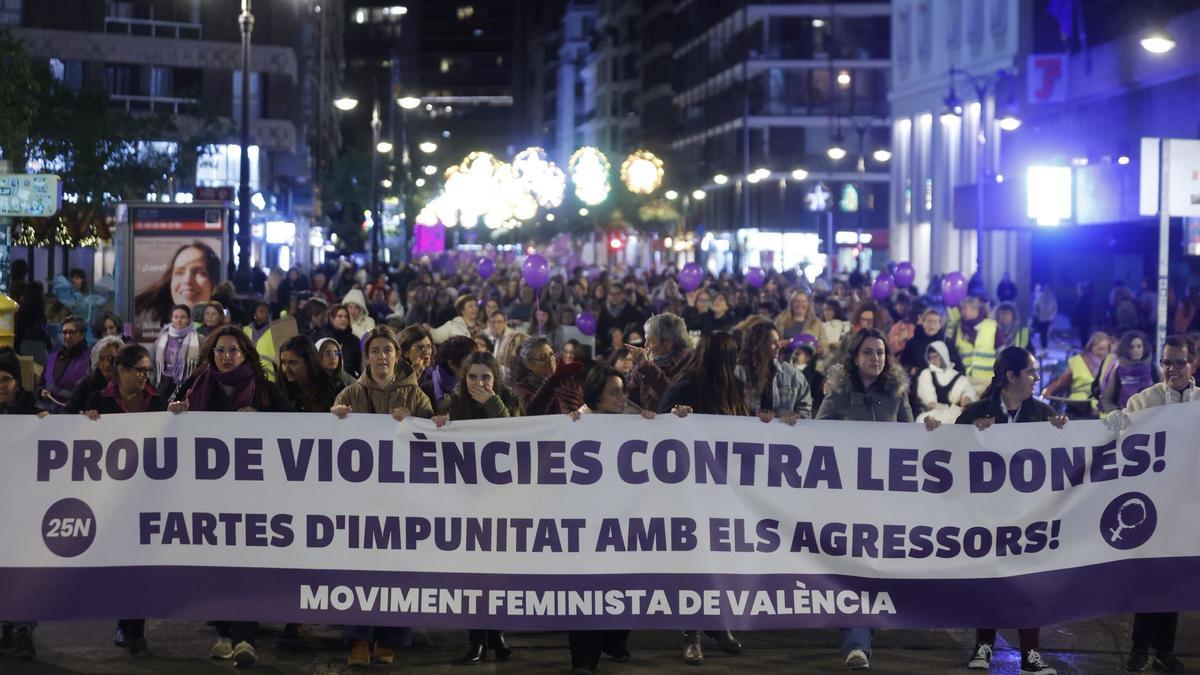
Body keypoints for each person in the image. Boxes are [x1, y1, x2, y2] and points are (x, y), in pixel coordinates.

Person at [932, 346, 1066, 675]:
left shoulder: (1043, 413)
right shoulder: (978, 410)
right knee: (988, 578)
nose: (1036, 378)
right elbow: (948, 450)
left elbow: (1064, 454)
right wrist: (940, 430)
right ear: (1012, 376)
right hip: (985, 514)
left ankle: (1031, 653)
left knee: (1028, 581)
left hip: (1029, 514)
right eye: (1032, 372)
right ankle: (983, 645)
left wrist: (1064, 430)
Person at [168, 327, 294, 667]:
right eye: (220, 351)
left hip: (253, 496)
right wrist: (177, 414)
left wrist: (262, 423)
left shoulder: (264, 391)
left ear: (245, 354)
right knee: (216, 566)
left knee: (246, 566)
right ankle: (224, 634)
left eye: (233, 351)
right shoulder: (194, 387)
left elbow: (297, 429)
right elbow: (167, 418)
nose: (226, 356)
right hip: (209, 496)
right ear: (211, 355)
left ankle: (245, 638)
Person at [331, 326, 434, 667]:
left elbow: (432, 437)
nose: (382, 357)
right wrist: (336, 420)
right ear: (367, 357)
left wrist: (417, 421)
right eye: (375, 351)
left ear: (397, 356)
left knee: (396, 568)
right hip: (359, 499)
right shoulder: (350, 394)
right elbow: (328, 443)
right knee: (358, 569)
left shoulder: (416, 396)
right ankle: (358, 638)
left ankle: (389, 638)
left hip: (402, 499)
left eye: (387, 351)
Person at [815, 328, 916, 671]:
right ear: (856, 357)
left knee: (875, 571)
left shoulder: (897, 394)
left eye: (882, 353)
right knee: (853, 570)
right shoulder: (838, 395)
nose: (877, 358)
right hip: (847, 499)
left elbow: (911, 439)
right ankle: (857, 643)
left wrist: (929, 429)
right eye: (870, 352)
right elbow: (814, 439)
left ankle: (863, 634)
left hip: (886, 500)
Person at [1103, 335, 1193, 673]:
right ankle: (1140, 648)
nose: (1172, 368)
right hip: (1151, 503)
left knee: (1175, 578)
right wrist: (1114, 422)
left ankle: (1164, 649)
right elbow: (1122, 428)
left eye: (1179, 362)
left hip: (1187, 506)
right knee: (1150, 576)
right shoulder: (1145, 401)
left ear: (1193, 363)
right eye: (1167, 362)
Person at [655, 332, 745, 666]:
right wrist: (673, 418)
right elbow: (657, 429)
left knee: (719, 561)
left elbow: (742, 430)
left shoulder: (733, 387)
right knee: (692, 563)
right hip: (687, 490)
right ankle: (690, 632)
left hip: (720, 489)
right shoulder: (685, 385)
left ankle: (717, 622)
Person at [429, 351, 519, 665]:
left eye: (485, 377)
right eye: (472, 377)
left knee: (496, 575)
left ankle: (495, 633)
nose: (478, 383)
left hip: (499, 502)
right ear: (463, 378)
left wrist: (492, 403)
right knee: (471, 575)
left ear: (495, 379)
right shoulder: (454, 406)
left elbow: (517, 434)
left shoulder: (507, 402)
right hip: (464, 501)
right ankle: (477, 639)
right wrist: (439, 423)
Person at [79, 344, 165, 656]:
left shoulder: (156, 400)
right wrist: (84, 421)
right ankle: (123, 622)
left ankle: (135, 628)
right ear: (122, 371)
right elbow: (65, 428)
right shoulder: (98, 399)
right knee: (120, 561)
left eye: (147, 370)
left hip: (147, 494)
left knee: (141, 563)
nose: (145, 376)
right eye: (140, 370)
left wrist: (177, 417)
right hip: (110, 495)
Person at [563, 364, 647, 674]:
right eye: (614, 392)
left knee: (622, 589)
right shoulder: (575, 424)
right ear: (596, 395)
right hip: (585, 528)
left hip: (623, 526)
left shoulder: (631, 418)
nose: (621, 397)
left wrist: (666, 420)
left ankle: (613, 642)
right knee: (586, 592)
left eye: (623, 391)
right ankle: (583, 661)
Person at [132, 241, 219, 333]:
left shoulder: (221, 335)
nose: (187, 280)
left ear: (213, 283)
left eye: (200, 272)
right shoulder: (161, 333)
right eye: (179, 273)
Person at [735, 321, 812, 424]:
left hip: (783, 437)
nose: (778, 346)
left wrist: (795, 416)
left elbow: (806, 411)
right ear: (758, 344)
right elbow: (733, 408)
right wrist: (755, 415)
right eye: (772, 342)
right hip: (748, 435)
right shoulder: (740, 372)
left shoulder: (792, 374)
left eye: (778, 341)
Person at [626, 313, 693, 413]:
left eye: (650, 341)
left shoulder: (691, 364)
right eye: (645, 339)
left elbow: (672, 396)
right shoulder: (645, 364)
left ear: (668, 343)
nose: (645, 345)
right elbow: (631, 396)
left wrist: (648, 367)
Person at [509, 336, 584, 416]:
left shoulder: (572, 386)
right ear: (529, 364)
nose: (550, 360)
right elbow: (530, 414)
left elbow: (584, 412)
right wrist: (552, 381)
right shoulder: (521, 388)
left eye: (551, 354)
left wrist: (580, 414)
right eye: (543, 358)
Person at [1042, 331, 1111, 418]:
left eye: (1106, 349)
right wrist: (1049, 391)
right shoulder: (1077, 361)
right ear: (1091, 348)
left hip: (1103, 410)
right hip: (1079, 408)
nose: (1103, 352)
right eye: (1100, 349)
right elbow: (1062, 381)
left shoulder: (1111, 363)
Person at [914, 340, 976, 424]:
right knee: (922, 420)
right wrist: (943, 408)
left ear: (943, 355)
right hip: (934, 415)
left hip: (955, 414)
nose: (932, 361)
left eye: (935, 357)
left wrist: (967, 398)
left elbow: (968, 392)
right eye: (930, 358)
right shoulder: (926, 374)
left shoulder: (957, 376)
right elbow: (930, 403)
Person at [1098, 331, 1161, 414]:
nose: (1136, 350)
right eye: (1131, 347)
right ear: (1125, 349)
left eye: (1139, 346)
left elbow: (1165, 393)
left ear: (1144, 348)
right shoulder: (1118, 371)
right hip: (1126, 419)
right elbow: (1107, 399)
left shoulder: (1153, 369)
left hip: (1152, 417)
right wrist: (1117, 414)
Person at [279, 336, 345, 413]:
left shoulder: (334, 386)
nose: (286, 369)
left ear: (309, 362)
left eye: (292, 362)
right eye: (283, 362)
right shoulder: (281, 391)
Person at [38, 315, 90, 413]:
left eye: (72, 332)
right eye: (64, 332)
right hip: (50, 414)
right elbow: (41, 384)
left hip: (77, 416)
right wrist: (41, 391)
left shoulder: (90, 358)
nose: (67, 336)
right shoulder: (51, 358)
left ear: (82, 335)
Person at [64, 335, 124, 414]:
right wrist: (82, 415)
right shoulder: (85, 384)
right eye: (102, 359)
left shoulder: (128, 383)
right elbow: (67, 413)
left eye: (111, 359)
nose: (106, 364)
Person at [952, 296, 1000, 395]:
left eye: (966, 308)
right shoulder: (959, 328)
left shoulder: (992, 326)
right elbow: (953, 353)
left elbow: (1002, 352)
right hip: (966, 379)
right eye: (962, 309)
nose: (963, 312)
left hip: (988, 380)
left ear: (976, 309)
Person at [153, 304, 201, 400]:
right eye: (176, 317)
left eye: (183, 317)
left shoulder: (199, 340)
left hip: (188, 385)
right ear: (171, 318)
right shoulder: (162, 338)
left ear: (189, 319)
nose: (179, 320)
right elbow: (153, 362)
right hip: (164, 384)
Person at [420, 335, 477, 407]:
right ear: (452, 364)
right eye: (470, 362)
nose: (477, 364)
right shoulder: (427, 389)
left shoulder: (480, 381)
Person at [595, 284, 647, 359]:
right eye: (612, 294)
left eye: (618, 294)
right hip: (607, 351)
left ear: (623, 294)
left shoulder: (633, 310)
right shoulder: (603, 310)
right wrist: (599, 353)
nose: (615, 297)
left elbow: (641, 327)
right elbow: (599, 332)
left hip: (628, 351)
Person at [315, 304, 363, 377]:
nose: (343, 319)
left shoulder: (354, 340)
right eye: (340, 316)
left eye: (346, 317)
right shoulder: (322, 338)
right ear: (331, 318)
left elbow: (359, 366)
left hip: (349, 379)